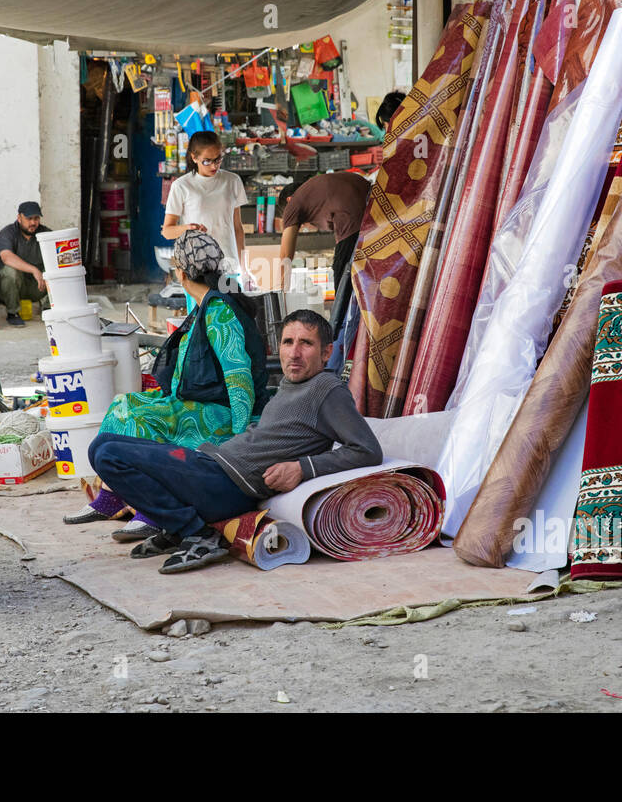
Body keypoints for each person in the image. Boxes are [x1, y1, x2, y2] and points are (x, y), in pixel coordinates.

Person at [89, 309, 383, 573]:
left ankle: (195, 532)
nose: (294, 353)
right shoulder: (291, 385)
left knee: (109, 454)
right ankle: (178, 527)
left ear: (326, 352)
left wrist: (303, 468)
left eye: (306, 343)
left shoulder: (326, 389)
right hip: (206, 463)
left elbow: (367, 450)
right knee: (103, 443)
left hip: (225, 484)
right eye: (288, 342)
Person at [64, 230, 271, 542]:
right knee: (124, 404)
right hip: (202, 406)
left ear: (182, 272)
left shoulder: (219, 311)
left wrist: (240, 438)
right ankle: (115, 496)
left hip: (224, 416)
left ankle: (153, 510)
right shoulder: (205, 305)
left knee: (138, 419)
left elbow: (238, 378)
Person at [277, 171, 371, 336]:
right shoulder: (315, 190)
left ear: (288, 200)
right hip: (373, 204)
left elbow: (285, 255)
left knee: (342, 276)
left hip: (351, 214)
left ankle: (340, 336)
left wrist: (281, 293)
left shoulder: (294, 203)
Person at [161, 130, 247, 287]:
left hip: (230, 264)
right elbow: (167, 231)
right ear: (194, 157)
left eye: (218, 159)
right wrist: (188, 228)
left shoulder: (233, 181)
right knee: (202, 311)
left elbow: (238, 228)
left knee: (234, 310)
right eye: (207, 161)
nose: (214, 165)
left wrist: (245, 268)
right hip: (197, 268)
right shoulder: (181, 186)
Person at [0, 201, 51, 326]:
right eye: (29, 218)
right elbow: (6, 257)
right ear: (19, 218)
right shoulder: (7, 233)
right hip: (7, 289)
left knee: (55, 269)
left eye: (36, 218)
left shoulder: (46, 233)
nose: (33, 223)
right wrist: (34, 270)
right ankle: (12, 313)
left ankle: (48, 309)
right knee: (10, 271)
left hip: (35, 286)